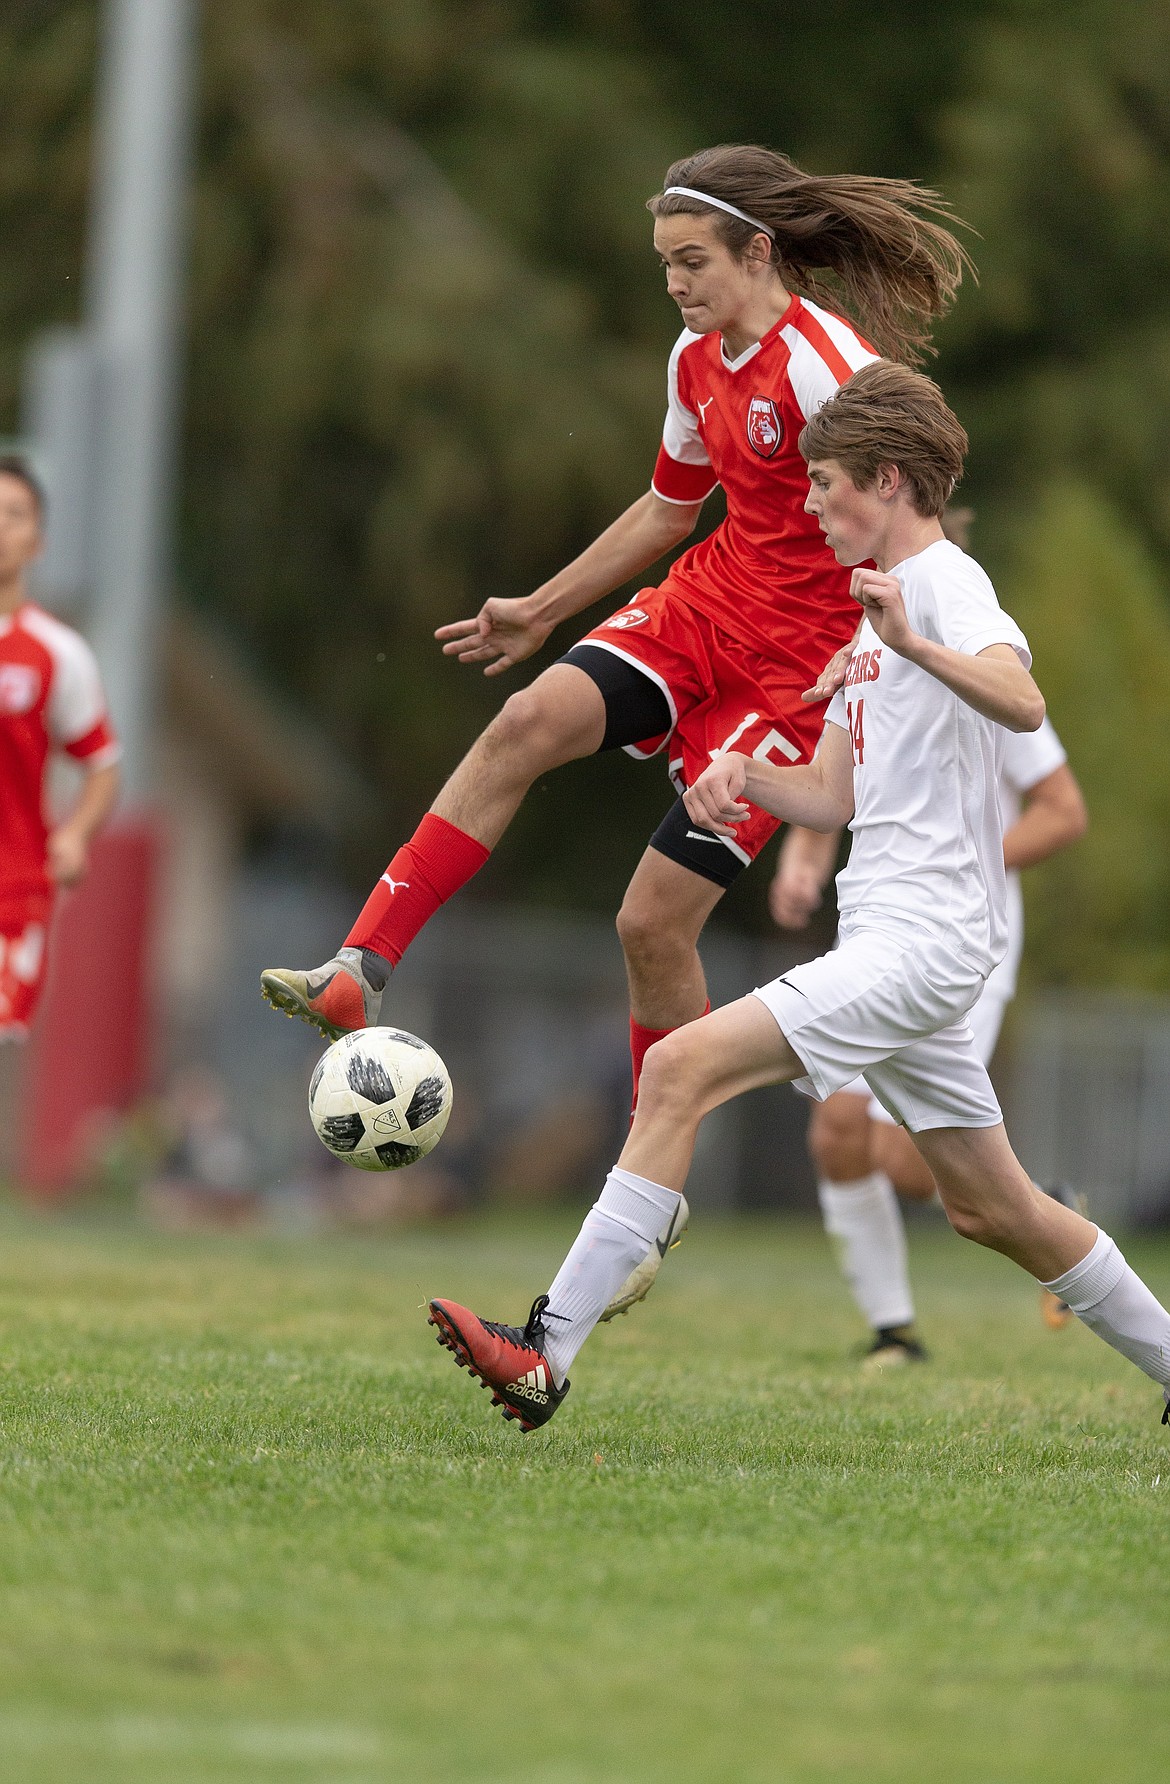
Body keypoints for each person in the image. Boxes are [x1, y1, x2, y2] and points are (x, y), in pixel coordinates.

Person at [425, 361, 1170, 1433]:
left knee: (677, 1066)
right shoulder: (867, 623)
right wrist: (745, 777)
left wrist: (915, 638)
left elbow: (1022, 695)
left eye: (825, 484)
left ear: (893, 479)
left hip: (924, 940)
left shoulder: (941, 586)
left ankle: (545, 1349)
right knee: (989, 1206)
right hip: (896, 933)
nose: (808, 504)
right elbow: (833, 791)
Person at [260, 146, 970, 1138]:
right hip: (701, 610)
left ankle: (650, 1172)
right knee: (526, 718)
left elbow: (915, 506)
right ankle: (358, 969)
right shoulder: (693, 363)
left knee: (652, 923)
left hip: (792, 677)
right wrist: (544, 607)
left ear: (757, 252)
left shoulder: (825, 366)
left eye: (693, 261)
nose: (675, 283)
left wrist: (869, 658)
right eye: (665, 263)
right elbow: (668, 512)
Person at [772, 710, 1087, 1363]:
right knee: (835, 1131)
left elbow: (1063, 811)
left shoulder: (982, 666)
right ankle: (895, 1333)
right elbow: (831, 782)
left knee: (911, 1168)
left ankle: (1053, 1215)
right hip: (876, 933)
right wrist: (802, 863)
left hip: (966, 945)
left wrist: (958, 862)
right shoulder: (867, 666)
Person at [0, 457, 120, 1042]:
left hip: (13, 892)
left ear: (37, 542)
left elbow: (101, 762)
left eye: (13, 514)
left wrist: (74, 834)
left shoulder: (56, 651)